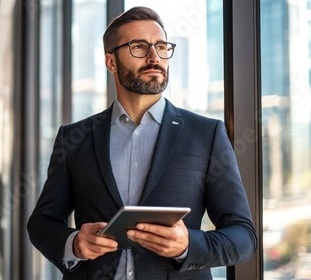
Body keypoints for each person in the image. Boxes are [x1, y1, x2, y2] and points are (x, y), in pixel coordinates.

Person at [27, 6, 257, 279]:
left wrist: (188, 245)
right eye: (139, 47)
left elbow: (243, 237)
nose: (154, 57)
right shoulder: (74, 138)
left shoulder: (206, 135)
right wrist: (74, 243)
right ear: (111, 62)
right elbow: (41, 223)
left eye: (161, 47)